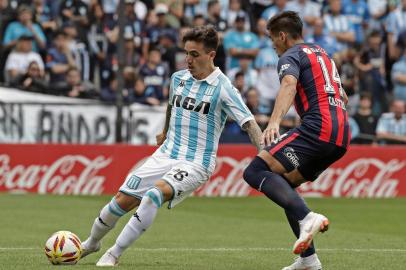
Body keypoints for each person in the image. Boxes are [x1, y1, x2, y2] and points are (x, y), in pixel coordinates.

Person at [80, 25, 263, 266]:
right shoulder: (178, 79)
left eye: (194, 54)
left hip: (196, 161)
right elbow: (171, 105)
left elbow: (249, 124)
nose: (188, 59)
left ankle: (113, 254)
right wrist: (165, 131)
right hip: (165, 153)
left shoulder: (224, 89)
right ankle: (92, 243)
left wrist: (265, 154)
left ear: (211, 55)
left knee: (153, 195)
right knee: (121, 200)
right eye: (186, 53)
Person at [242, 11, 350, 270]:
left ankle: (307, 217)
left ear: (282, 35)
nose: (272, 45)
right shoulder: (323, 54)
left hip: (318, 128)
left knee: (255, 170)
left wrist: (275, 121)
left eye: (272, 39)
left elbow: (289, 85)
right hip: (342, 132)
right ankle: (308, 261)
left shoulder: (290, 55)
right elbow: (343, 96)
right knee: (285, 186)